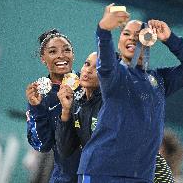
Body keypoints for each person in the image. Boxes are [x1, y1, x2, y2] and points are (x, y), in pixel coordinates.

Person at [77, 4, 183, 183]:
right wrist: (104, 30)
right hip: (103, 171)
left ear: (148, 39)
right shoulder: (115, 73)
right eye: (126, 34)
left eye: (138, 34)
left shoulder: (159, 80)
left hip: (141, 175)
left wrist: (170, 38)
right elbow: (105, 63)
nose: (132, 38)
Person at [56, 52, 175, 183]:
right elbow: (65, 150)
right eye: (87, 64)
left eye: (98, 68)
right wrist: (66, 111)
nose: (88, 70)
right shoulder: (78, 102)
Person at [26, 28, 81, 183]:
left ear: (73, 54)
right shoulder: (39, 97)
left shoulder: (87, 82)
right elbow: (42, 145)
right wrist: (37, 109)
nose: (61, 56)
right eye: (52, 51)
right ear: (43, 58)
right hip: (65, 178)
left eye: (66, 50)